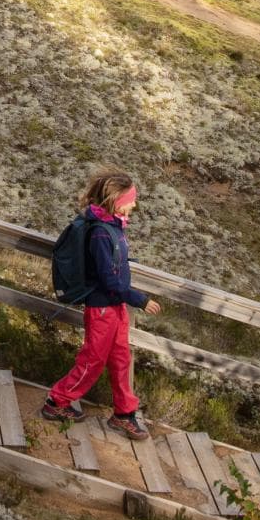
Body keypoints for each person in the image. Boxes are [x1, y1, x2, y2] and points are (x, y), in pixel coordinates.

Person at [41, 168, 161, 440]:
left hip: (115, 308)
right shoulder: (101, 234)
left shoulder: (113, 227)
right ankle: (56, 402)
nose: (135, 204)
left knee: (120, 359)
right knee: (93, 360)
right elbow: (110, 280)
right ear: (117, 201)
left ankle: (124, 414)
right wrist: (140, 300)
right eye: (131, 198)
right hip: (103, 308)